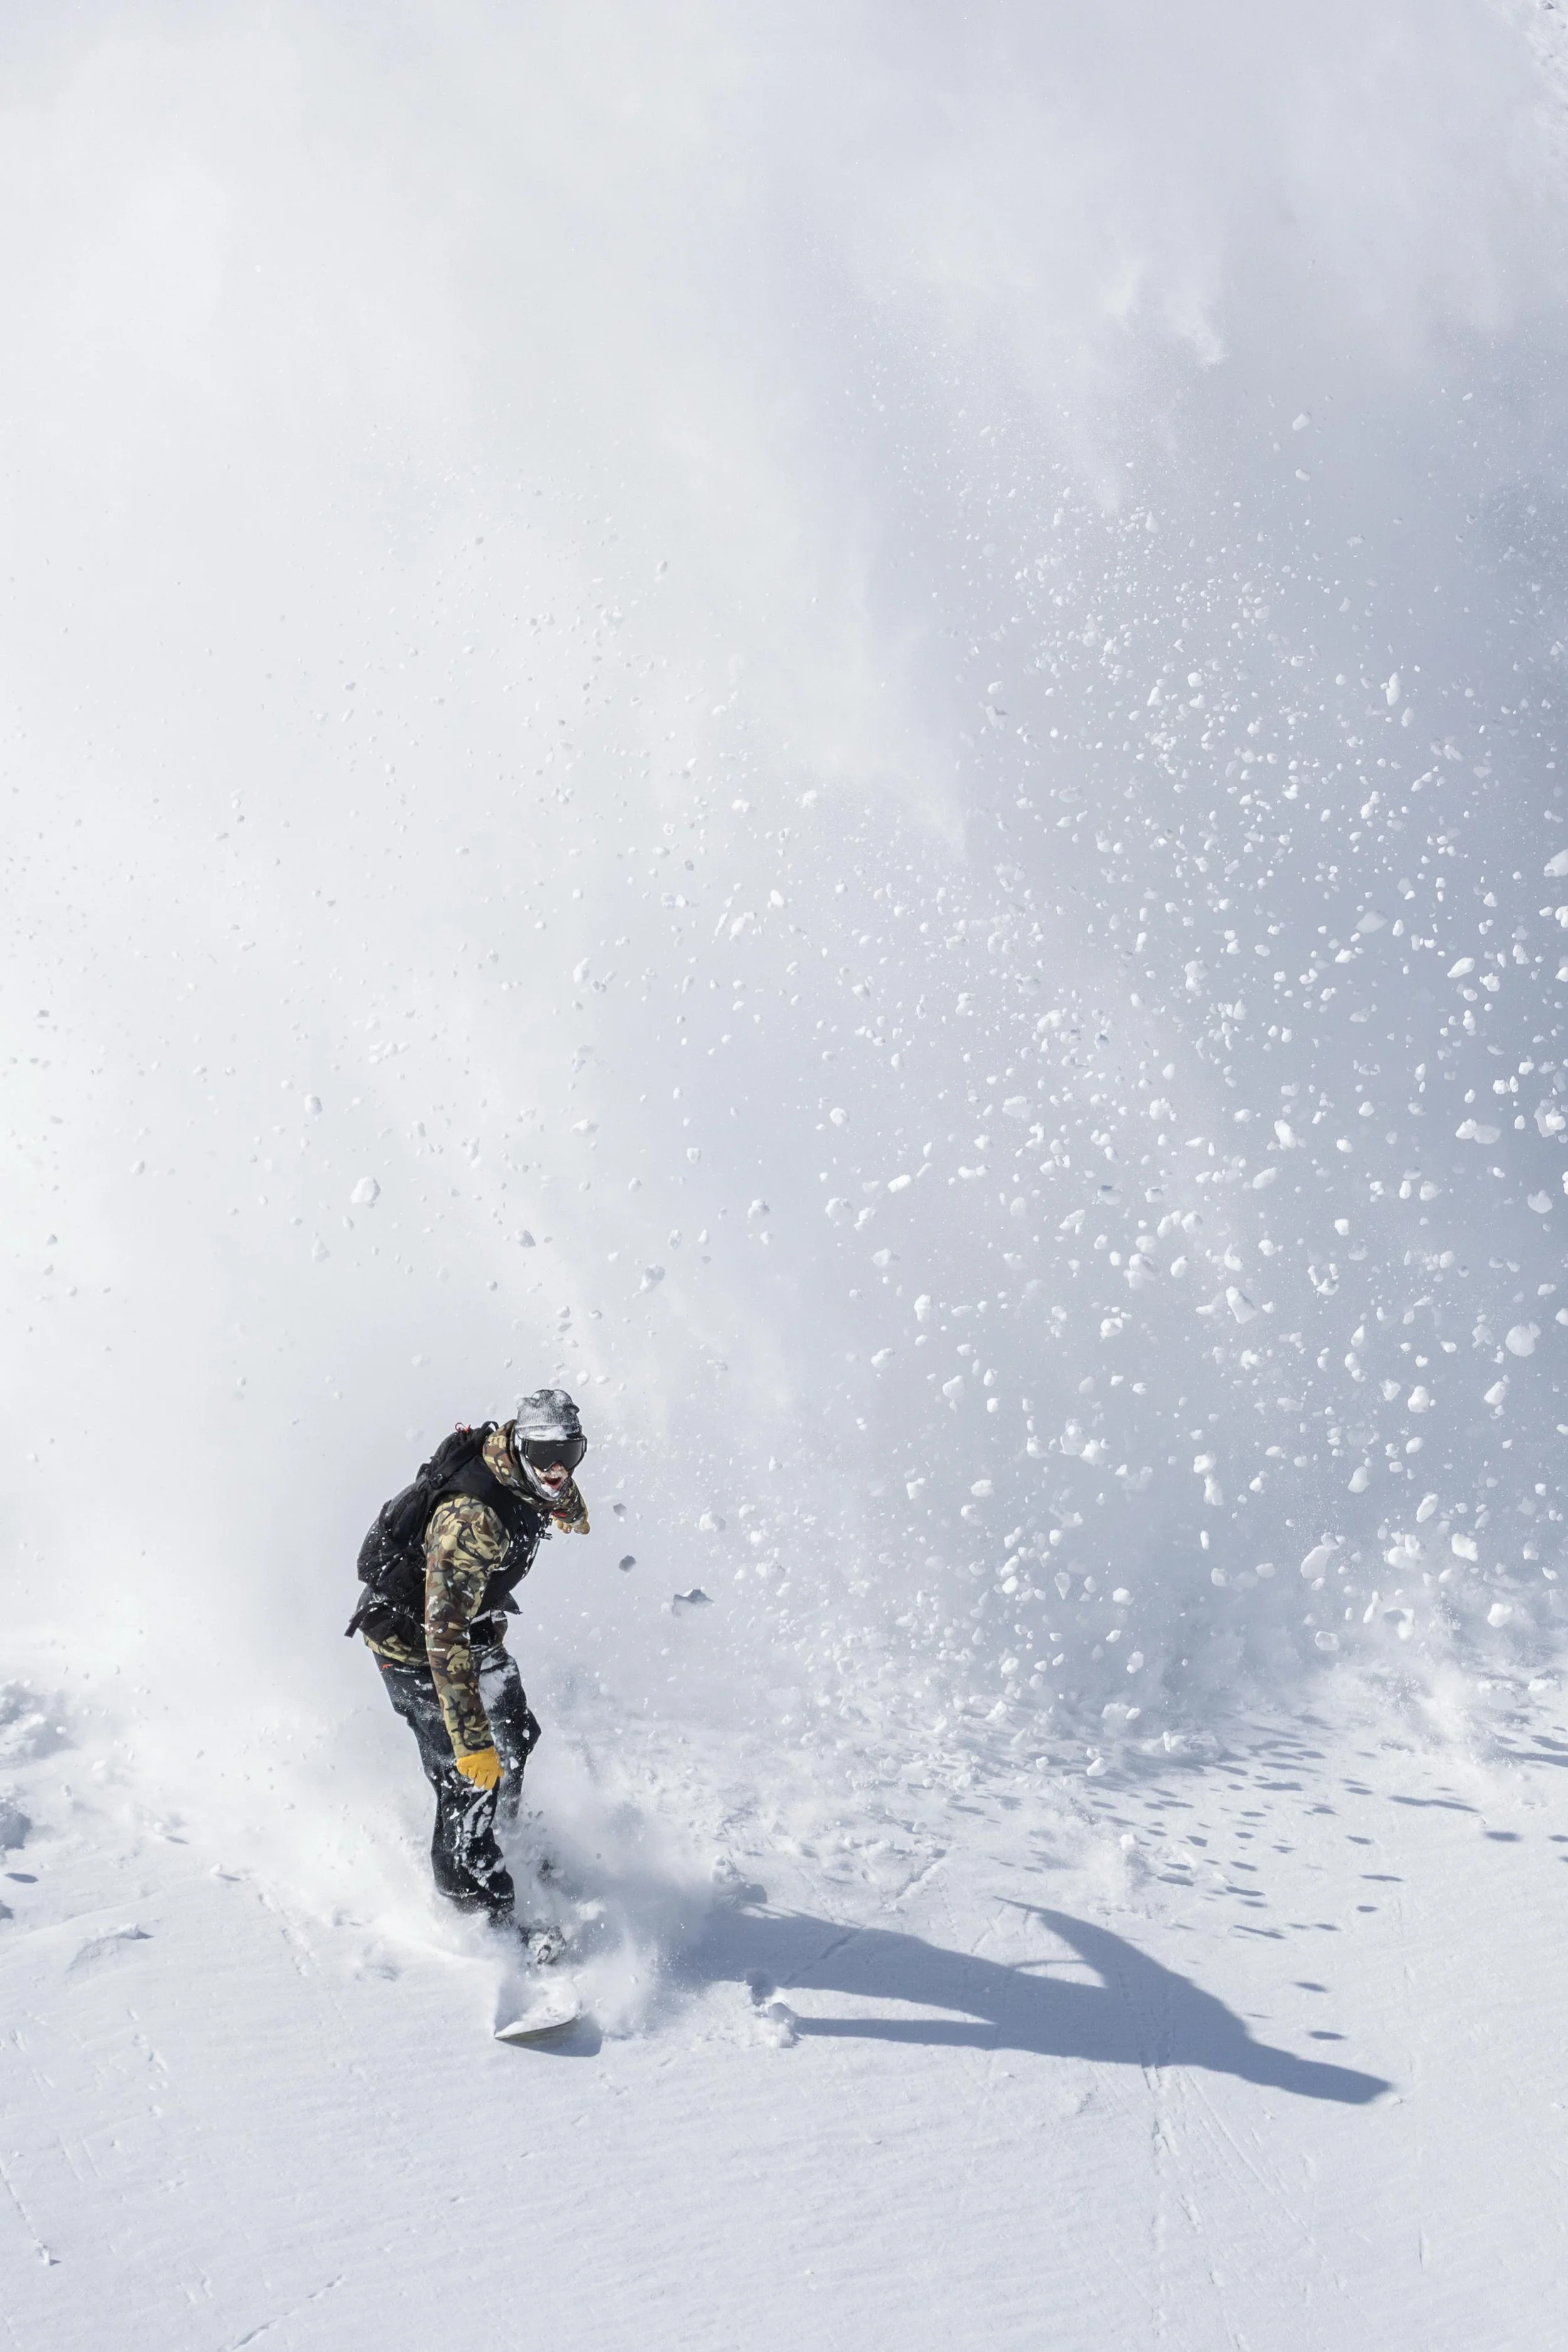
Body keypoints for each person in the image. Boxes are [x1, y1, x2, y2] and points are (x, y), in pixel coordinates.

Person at [352, 1389, 590, 1929]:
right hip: (415, 1645)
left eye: (571, 1454)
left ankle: (506, 1836)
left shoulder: (528, 1466)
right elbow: (443, 1639)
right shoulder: (471, 1521)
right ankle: (481, 1917)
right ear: (520, 1445)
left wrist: (572, 1509)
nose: (557, 1469)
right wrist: (470, 1740)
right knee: (470, 1776)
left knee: (517, 1735)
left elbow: (555, 1486)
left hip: (473, 1629)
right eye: (546, 1454)